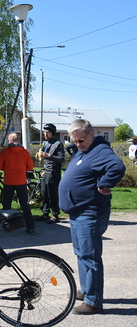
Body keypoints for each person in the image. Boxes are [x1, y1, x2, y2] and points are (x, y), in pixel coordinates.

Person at [59, 119, 125, 315]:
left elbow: (117, 167)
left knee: (90, 256)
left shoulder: (100, 151)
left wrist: (104, 184)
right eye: (75, 141)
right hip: (78, 211)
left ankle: (94, 302)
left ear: (91, 134)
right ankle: (88, 290)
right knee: (82, 254)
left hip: (90, 212)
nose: (78, 144)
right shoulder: (84, 150)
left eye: (81, 140)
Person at [0, 133, 35, 235]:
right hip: (21, 181)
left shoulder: (4, 152)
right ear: (19, 141)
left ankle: (7, 226)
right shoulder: (25, 152)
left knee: (7, 205)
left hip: (8, 181)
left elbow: (0, 166)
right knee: (24, 205)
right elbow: (30, 167)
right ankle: (30, 227)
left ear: (9, 141)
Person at [36, 124, 65, 224]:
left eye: (47, 133)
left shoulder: (58, 144)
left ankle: (55, 215)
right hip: (47, 172)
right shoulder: (47, 143)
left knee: (52, 194)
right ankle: (45, 214)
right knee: (44, 193)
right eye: (44, 132)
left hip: (53, 173)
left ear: (52, 133)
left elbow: (61, 159)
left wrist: (48, 155)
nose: (45, 134)